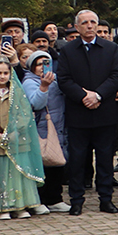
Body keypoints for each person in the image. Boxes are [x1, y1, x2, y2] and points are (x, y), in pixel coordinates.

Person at [58, 9, 118, 216]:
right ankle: (76, 200)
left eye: (92, 22)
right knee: (77, 160)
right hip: (79, 113)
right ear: (76, 27)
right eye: (84, 22)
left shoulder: (111, 48)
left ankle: (106, 199)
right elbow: (64, 79)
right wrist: (82, 96)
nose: (89, 26)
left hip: (105, 112)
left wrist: (98, 96)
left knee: (105, 159)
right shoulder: (68, 50)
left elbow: (116, 76)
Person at [0, 57, 44, 219]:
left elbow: (24, 114)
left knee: (16, 175)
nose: (2, 76)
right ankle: (2, 207)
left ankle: (20, 206)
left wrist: (15, 132)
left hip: (18, 142)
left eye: (6, 73)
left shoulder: (17, 92)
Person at [22, 50, 69, 211]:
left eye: (46, 63)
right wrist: (44, 87)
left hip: (59, 128)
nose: (43, 67)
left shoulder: (56, 80)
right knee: (41, 164)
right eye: (39, 64)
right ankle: (39, 200)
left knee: (56, 162)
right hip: (41, 128)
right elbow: (35, 104)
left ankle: (55, 199)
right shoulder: (29, 82)